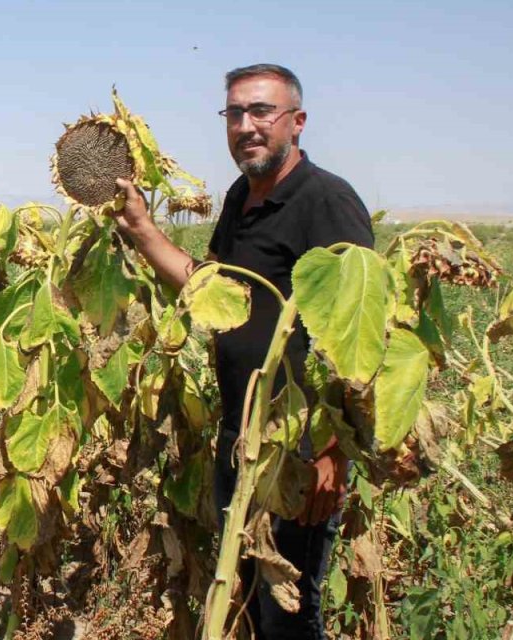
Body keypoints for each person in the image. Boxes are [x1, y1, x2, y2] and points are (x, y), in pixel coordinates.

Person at [112, 64, 373, 638]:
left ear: (297, 122)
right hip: (240, 436)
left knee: (288, 612)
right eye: (235, 113)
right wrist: (142, 229)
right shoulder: (241, 195)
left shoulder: (326, 200)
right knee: (245, 600)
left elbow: (358, 334)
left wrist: (333, 451)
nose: (247, 126)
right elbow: (212, 291)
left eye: (262, 112)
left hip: (296, 446)